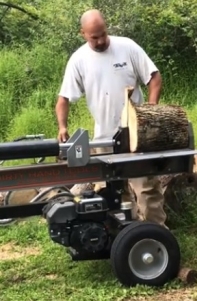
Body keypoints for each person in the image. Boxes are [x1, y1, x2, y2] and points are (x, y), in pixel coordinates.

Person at [55, 9, 167, 226]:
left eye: (103, 34)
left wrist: (151, 110)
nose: (100, 40)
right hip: (104, 140)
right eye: (94, 37)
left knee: (146, 189)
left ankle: (157, 235)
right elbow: (63, 99)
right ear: (83, 34)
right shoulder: (79, 60)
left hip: (136, 136)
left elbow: (154, 77)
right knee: (115, 192)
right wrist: (62, 126)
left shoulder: (127, 47)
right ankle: (130, 235)